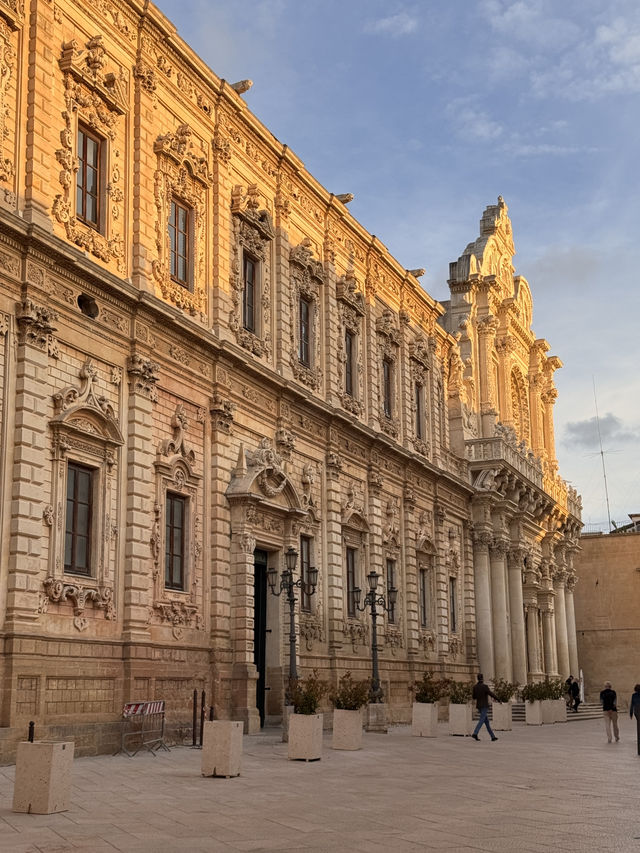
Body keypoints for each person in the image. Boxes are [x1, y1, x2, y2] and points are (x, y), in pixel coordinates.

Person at [471, 673, 501, 742]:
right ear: (482, 678)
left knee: (487, 722)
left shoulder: (475, 687)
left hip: (479, 706)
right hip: (484, 706)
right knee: (481, 720)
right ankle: (475, 733)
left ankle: (493, 737)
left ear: (477, 678)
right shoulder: (485, 687)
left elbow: (474, 697)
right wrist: (498, 699)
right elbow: (491, 694)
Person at [630, 684, 640, 756]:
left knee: (638, 730)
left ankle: (639, 750)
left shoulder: (634, 695)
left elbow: (632, 704)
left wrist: (631, 713)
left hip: (637, 712)